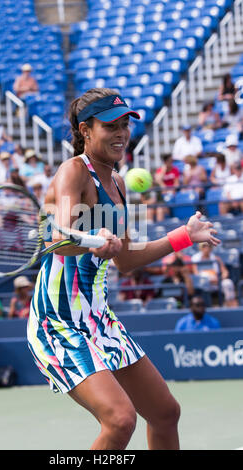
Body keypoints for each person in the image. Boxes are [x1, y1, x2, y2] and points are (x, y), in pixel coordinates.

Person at [26, 87, 220, 450]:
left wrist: (184, 236)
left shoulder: (118, 183)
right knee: (120, 420)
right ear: (86, 130)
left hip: (98, 317)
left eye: (125, 126)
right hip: (58, 321)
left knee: (165, 413)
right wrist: (93, 239)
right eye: (110, 126)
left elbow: (127, 260)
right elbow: (57, 238)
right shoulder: (73, 172)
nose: (121, 134)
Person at [192, 242, 238, 307]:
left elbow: (225, 272)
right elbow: (196, 274)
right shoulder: (195, 258)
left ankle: (230, 306)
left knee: (228, 283)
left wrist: (220, 279)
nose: (207, 248)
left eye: (209, 246)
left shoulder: (216, 258)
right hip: (203, 283)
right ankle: (207, 306)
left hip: (217, 282)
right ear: (200, 247)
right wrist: (208, 280)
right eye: (204, 246)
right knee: (204, 280)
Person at [154, 153, 180, 221]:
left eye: (172, 161)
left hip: (172, 192)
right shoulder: (160, 170)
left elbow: (176, 184)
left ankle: (172, 216)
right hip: (163, 193)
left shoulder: (175, 170)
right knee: (160, 206)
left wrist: (171, 190)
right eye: (169, 161)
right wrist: (163, 171)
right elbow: (158, 180)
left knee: (169, 198)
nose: (171, 163)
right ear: (165, 162)